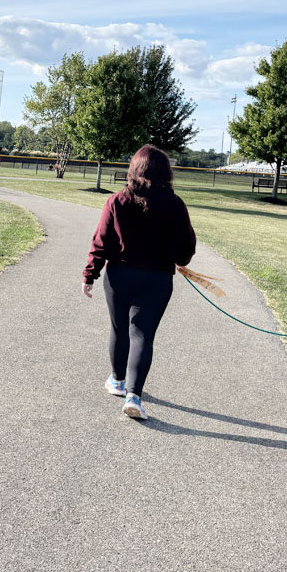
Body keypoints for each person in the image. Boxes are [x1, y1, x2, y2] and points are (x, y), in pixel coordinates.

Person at [81, 144, 195, 421]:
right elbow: (187, 247)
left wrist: (90, 275)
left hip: (119, 276)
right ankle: (134, 396)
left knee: (119, 328)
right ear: (166, 173)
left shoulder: (117, 201)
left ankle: (117, 380)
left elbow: (101, 241)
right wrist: (177, 258)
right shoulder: (175, 204)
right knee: (142, 334)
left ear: (134, 169)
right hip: (157, 279)